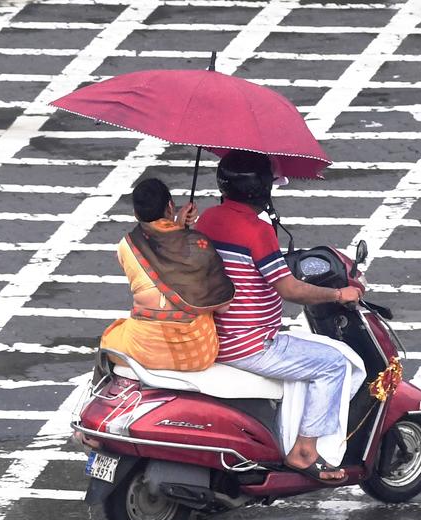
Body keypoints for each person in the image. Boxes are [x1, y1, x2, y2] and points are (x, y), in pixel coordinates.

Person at [195, 151, 363, 483]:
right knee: (334, 364)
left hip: (214, 334)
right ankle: (304, 450)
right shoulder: (257, 232)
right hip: (252, 344)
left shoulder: (207, 220)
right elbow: (289, 289)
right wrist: (337, 294)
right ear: (261, 189)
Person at [99, 177, 234, 372]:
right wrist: (182, 229)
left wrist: (177, 226)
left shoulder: (126, 246)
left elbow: (161, 246)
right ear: (170, 207)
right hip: (198, 353)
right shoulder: (199, 245)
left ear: (136, 213)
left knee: (109, 339)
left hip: (144, 349)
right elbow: (223, 307)